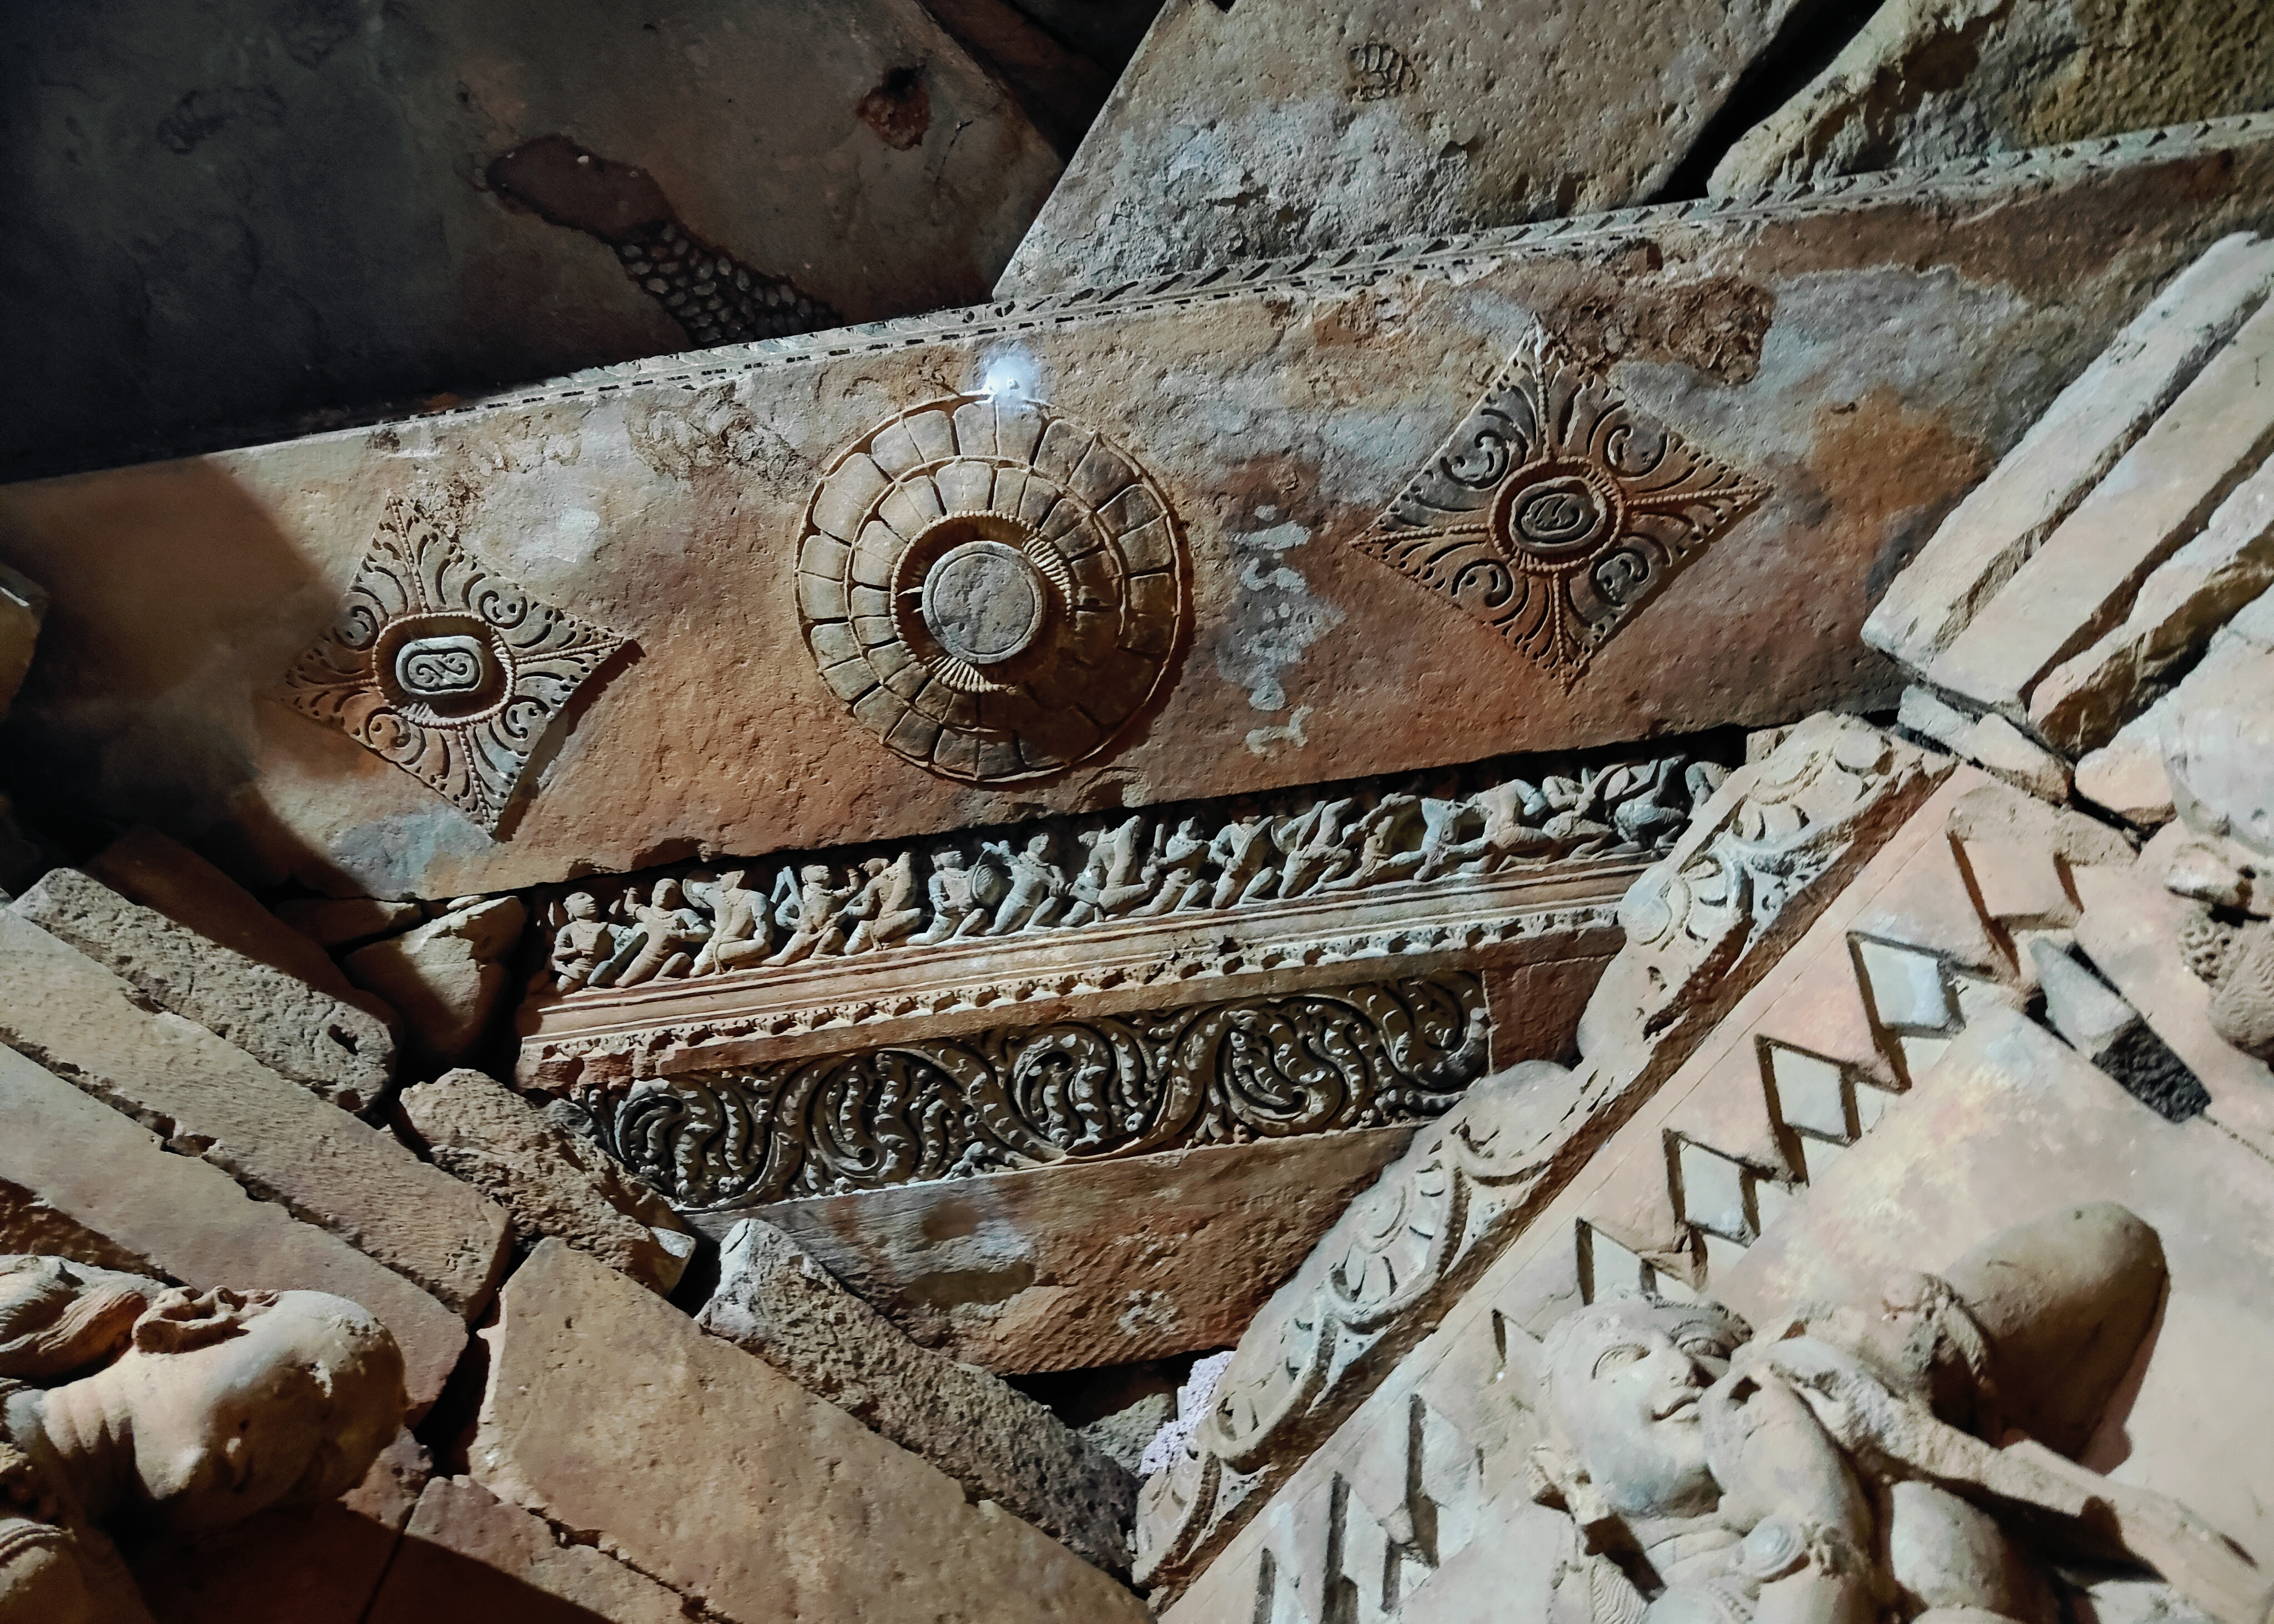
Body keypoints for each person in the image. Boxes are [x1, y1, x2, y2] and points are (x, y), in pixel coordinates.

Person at [1528, 1206, 2257, 1624]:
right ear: (1574, 1480)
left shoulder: (1844, 1415)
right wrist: (1816, 1516)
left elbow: (2116, 1243)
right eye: (1618, 1363)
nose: (1685, 1369)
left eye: (1704, 1347)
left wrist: (1895, 1343)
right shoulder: (1692, 1610)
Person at [0, 1257, 405, 1624]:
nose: (284, 1459)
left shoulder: (78, 1596)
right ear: (204, 1316)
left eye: (307, 1476)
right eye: (313, 1390)